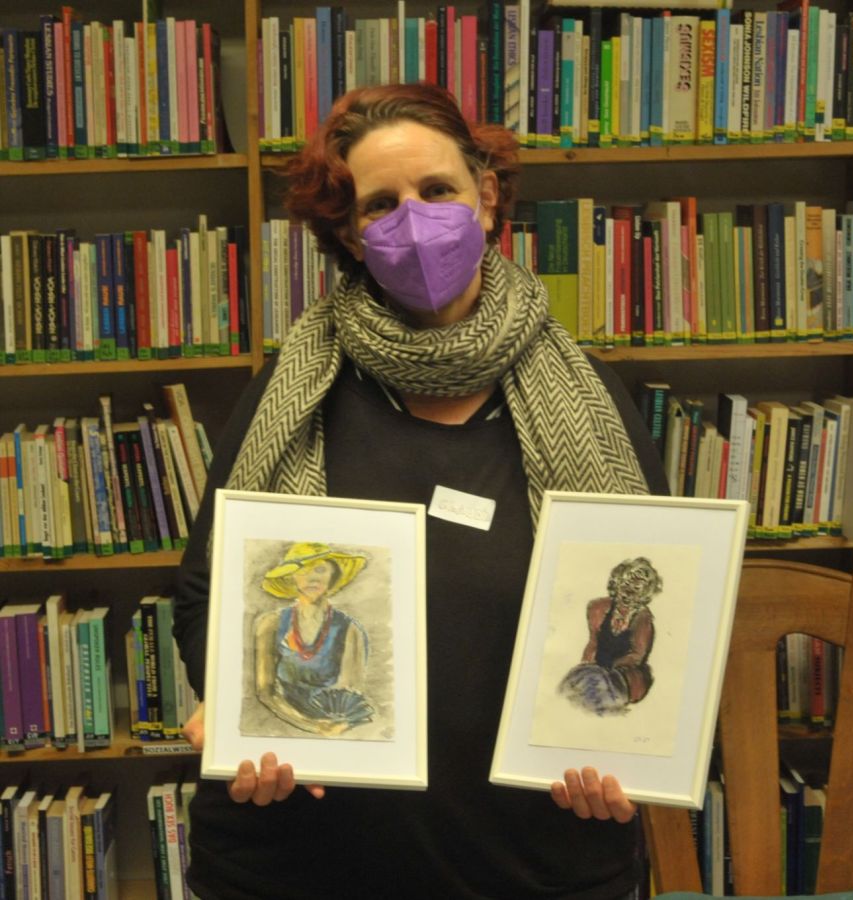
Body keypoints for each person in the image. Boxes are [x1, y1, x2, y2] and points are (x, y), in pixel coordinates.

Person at [173, 82, 668, 899]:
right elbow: (205, 593)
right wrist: (244, 710)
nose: (414, 220)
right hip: (307, 855)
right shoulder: (291, 393)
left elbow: (665, 600)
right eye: (380, 204)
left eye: (437, 190)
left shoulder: (589, 399)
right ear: (351, 235)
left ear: (487, 196)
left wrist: (621, 745)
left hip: (535, 857)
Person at [251, 542, 373, 737]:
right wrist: (312, 726)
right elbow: (265, 692)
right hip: (283, 726)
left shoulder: (350, 630)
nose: (313, 577)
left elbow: (349, 693)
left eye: (320, 570)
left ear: (333, 576)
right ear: (292, 577)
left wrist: (329, 728)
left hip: (336, 730)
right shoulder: (270, 625)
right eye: (303, 570)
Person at [560, 557, 662, 717]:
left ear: (644, 594)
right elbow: (593, 642)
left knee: (598, 692)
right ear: (617, 584)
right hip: (597, 668)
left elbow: (637, 657)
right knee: (572, 685)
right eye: (626, 585)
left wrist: (606, 669)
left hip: (626, 674)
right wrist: (586, 667)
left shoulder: (643, 619)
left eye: (636, 589)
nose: (628, 592)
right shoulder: (598, 608)